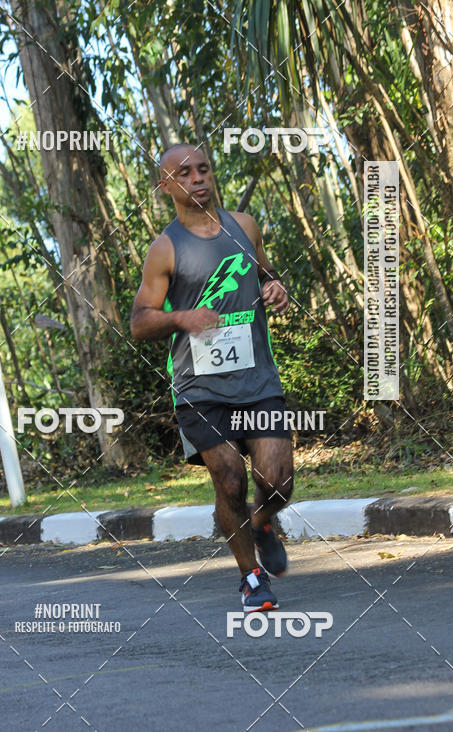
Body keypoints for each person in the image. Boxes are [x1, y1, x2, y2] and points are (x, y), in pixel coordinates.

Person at [130, 143, 293, 612]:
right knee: (228, 478)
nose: (198, 178)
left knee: (278, 482)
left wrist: (274, 287)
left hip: (256, 379)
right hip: (198, 387)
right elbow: (140, 322)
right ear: (167, 186)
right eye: (185, 173)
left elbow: (264, 274)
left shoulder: (244, 226)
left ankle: (262, 522)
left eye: (203, 169)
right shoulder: (165, 249)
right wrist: (182, 318)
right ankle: (251, 579)